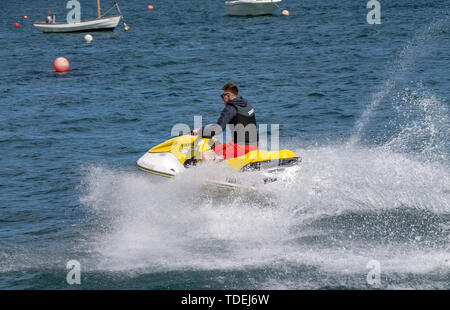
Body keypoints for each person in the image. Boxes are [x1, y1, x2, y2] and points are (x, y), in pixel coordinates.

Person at [191, 83, 258, 161]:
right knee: (217, 147)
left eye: (222, 96)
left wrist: (199, 131)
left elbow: (218, 129)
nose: (222, 99)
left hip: (240, 147)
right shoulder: (246, 104)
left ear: (228, 95)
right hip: (254, 146)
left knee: (204, 155)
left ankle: (214, 173)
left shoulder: (231, 107)